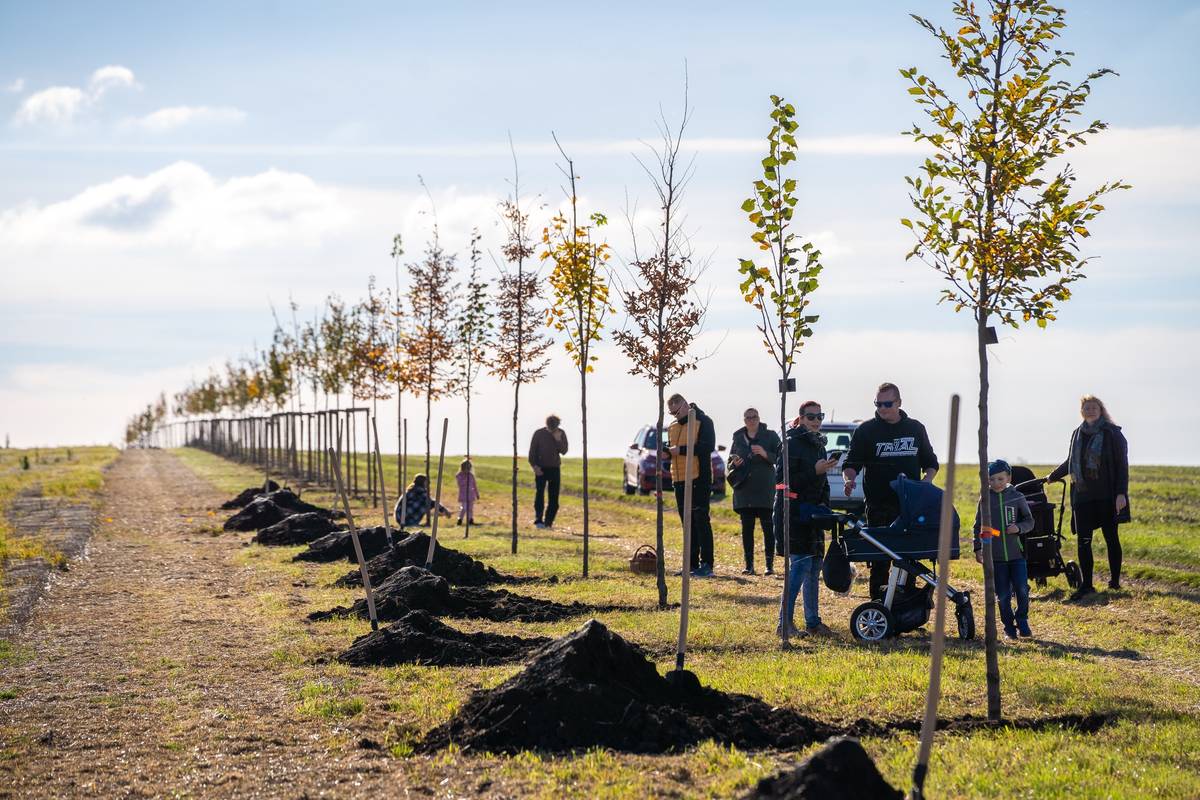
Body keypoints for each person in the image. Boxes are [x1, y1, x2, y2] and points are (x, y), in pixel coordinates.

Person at [842, 382, 939, 600]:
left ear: (899, 403)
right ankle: (878, 603)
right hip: (878, 506)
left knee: (907, 558)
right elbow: (851, 463)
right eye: (878, 404)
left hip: (909, 506)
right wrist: (849, 480)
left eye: (887, 404)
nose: (882, 409)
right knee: (880, 558)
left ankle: (905, 604)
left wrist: (926, 482)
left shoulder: (915, 428)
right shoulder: (866, 430)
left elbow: (931, 462)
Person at [1047, 395, 1130, 599]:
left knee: (1111, 538)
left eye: (1094, 407)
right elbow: (1070, 461)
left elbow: (1122, 466)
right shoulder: (1077, 434)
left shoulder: (1113, 433)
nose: (1090, 410)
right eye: (1087, 408)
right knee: (1083, 540)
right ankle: (1087, 585)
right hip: (1082, 496)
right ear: (1082, 412)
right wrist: (1052, 476)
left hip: (1107, 496)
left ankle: (1114, 582)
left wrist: (1121, 494)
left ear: (1101, 410)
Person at [776, 400, 840, 637]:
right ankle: (784, 624)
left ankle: (813, 623)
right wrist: (814, 471)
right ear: (801, 418)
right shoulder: (791, 444)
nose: (816, 421)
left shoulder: (819, 444)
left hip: (813, 515)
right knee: (800, 566)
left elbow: (823, 482)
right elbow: (782, 481)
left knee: (814, 567)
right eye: (811, 417)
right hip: (793, 512)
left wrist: (824, 506)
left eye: (819, 416)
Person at [973, 459, 1035, 638]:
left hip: (1017, 556)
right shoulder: (985, 500)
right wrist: (977, 548)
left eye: (1000, 479)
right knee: (1003, 595)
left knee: (1022, 590)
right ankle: (1008, 627)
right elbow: (978, 526)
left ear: (1008, 478)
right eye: (991, 479)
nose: (996, 483)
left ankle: (1022, 620)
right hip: (996, 558)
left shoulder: (1017, 497)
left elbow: (1030, 521)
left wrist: (1018, 528)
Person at [664, 393, 716, 576]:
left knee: (701, 520)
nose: (674, 416)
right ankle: (691, 564)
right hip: (678, 479)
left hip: (698, 478)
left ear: (685, 405)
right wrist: (667, 453)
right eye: (671, 413)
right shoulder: (672, 426)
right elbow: (672, 448)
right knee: (687, 523)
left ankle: (707, 564)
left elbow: (707, 446)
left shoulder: (704, 421)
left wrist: (680, 450)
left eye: (676, 412)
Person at [729, 408, 781, 575]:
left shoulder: (770, 436)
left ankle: (769, 566)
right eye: (748, 418)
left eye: (754, 417)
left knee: (768, 528)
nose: (751, 420)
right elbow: (730, 460)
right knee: (747, 529)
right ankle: (749, 565)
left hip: (765, 488)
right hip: (744, 489)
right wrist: (734, 463)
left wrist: (765, 453)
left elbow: (781, 458)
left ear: (759, 418)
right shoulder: (738, 437)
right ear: (744, 420)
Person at [528, 414, 568, 529]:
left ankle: (548, 523)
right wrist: (535, 467)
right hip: (540, 469)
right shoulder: (539, 433)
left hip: (554, 468)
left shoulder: (561, 433)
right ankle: (539, 520)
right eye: (551, 426)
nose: (553, 428)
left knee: (554, 498)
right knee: (539, 495)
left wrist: (558, 439)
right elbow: (532, 452)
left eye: (555, 426)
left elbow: (564, 451)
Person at [455, 458, 480, 525]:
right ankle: (460, 519)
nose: (467, 470)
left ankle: (470, 520)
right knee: (464, 508)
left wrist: (477, 494)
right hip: (463, 494)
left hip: (470, 494)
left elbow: (474, 485)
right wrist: (466, 479)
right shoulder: (459, 475)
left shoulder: (471, 475)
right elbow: (460, 484)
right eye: (466, 468)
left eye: (469, 468)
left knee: (470, 508)